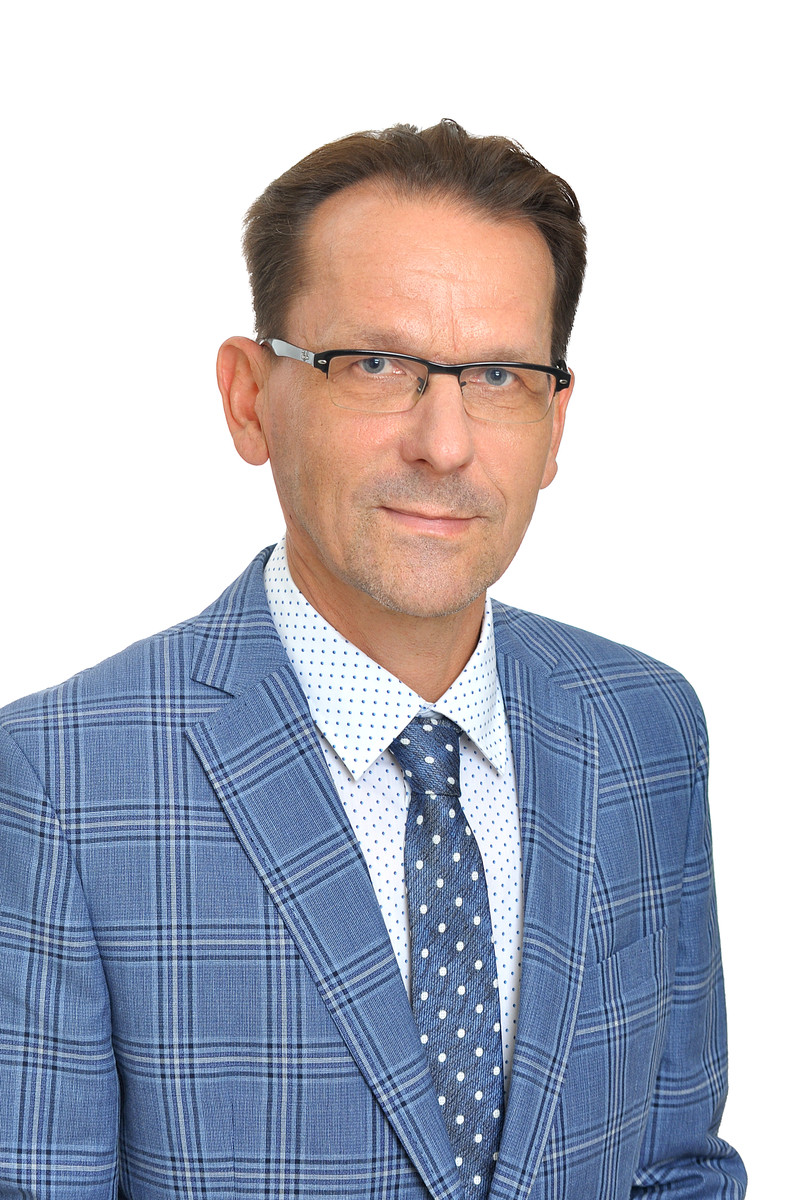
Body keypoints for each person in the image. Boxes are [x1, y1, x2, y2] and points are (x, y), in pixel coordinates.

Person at [0, 119, 745, 1198]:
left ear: (555, 421)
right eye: (378, 364)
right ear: (249, 398)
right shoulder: (59, 782)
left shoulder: (646, 728)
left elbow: (677, 1169)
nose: (444, 443)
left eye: (499, 375)